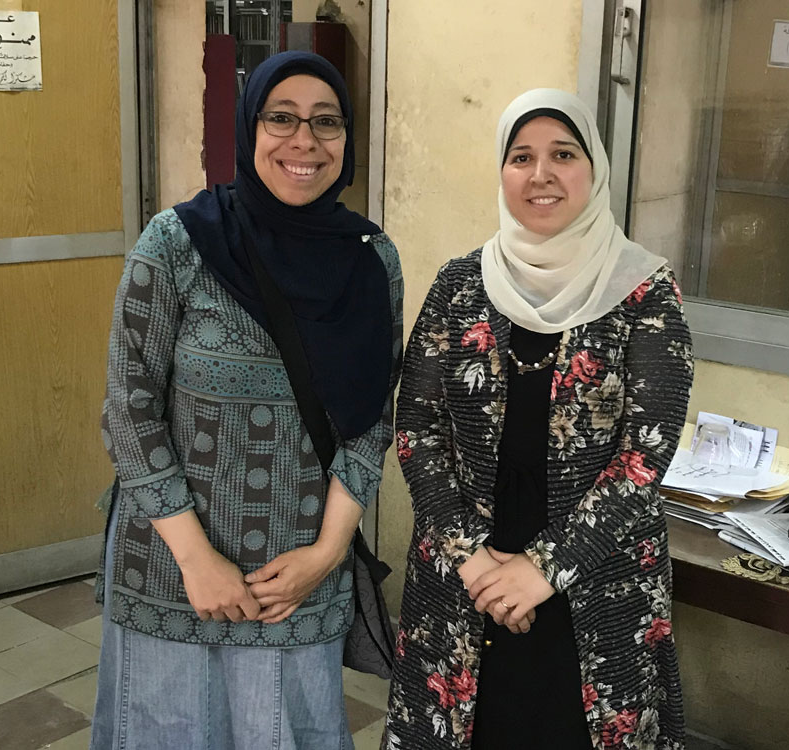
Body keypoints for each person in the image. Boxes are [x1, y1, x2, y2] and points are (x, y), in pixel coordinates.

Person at [90, 51, 402, 749]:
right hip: (170, 568)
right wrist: (198, 560)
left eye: (326, 123)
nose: (304, 141)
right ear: (247, 127)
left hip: (295, 577)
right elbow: (129, 409)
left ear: (347, 140)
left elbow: (371, 422)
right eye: (281, 118)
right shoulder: (174, 244)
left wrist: (327, 553)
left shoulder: (369, 259)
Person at [383, 89, 693, 750]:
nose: (540, 173)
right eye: (520, 156)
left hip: (596, 586)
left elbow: (646, 451)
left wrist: (544, 568)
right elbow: (415, 430)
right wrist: (471, 559)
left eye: (562, 154)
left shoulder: (644, 290)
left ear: (594, 169)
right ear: (502, 172)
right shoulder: (461, 284)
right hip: (465, 584)